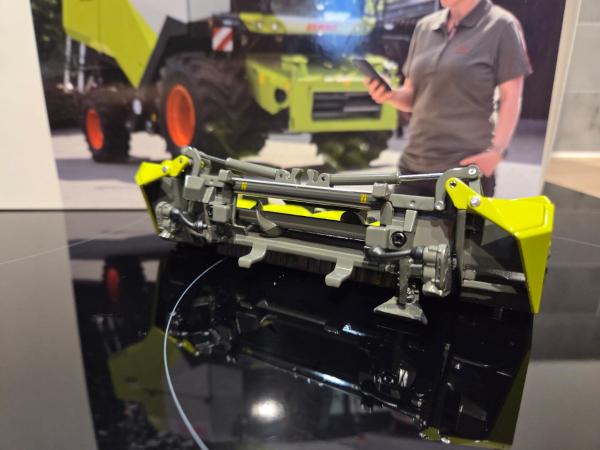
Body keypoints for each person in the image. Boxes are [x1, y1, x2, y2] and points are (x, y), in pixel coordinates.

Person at [365, 0, 532, 196]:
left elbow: (511, 97)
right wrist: (390, 94)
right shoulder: (425, 27)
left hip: (464, 173)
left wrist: (497, 153)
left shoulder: (502, 26)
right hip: (414, 168)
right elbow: (413, 96)